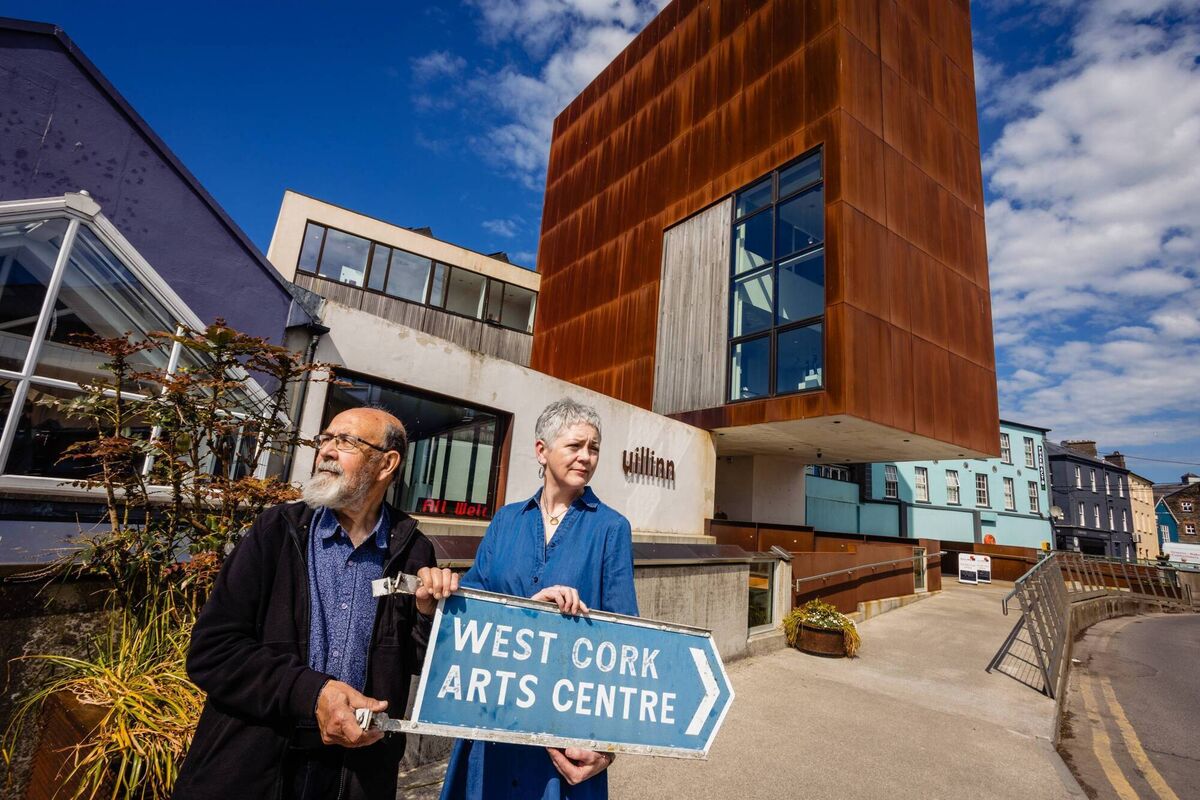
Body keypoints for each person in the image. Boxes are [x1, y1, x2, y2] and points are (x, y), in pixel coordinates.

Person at [173, 406, 459, 800]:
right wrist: (313, 695)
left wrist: (429, 616)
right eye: (325, 439)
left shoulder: (413, 548)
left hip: (356, 774)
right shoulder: (275, 532)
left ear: (386, 464)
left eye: (345, 442)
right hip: (257, 763)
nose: (326, 450)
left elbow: (418, 667)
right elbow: (213, 651)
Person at [439, 398, 637, 800]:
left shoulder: (612, 528)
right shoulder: (506, 520)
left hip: (563, 734)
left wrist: (607, 749)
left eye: (594, 447)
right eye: (575, 446)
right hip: (491, 719)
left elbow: (626, 640)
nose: (586, 457)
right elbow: (472, 603)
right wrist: (437, 593)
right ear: (542, 451)